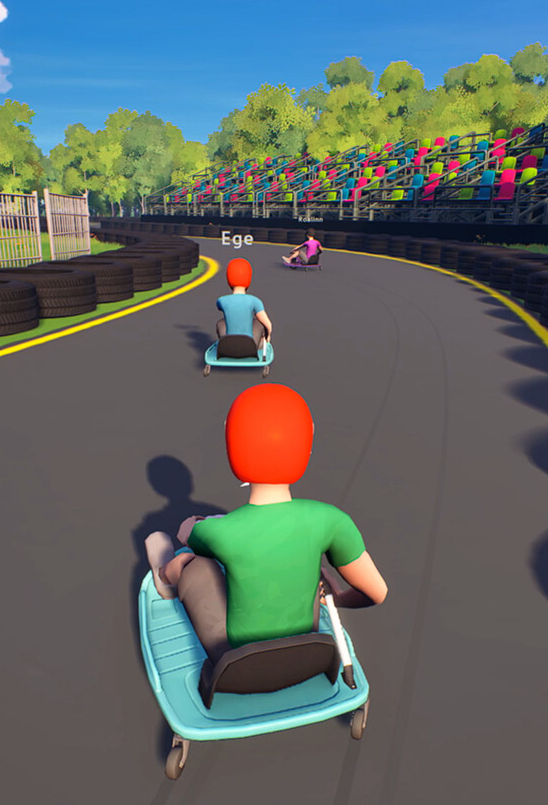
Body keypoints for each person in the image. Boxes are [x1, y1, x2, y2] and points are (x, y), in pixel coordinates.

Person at [144, 384, 388, 660]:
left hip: (238, 661)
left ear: (234, 447)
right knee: (307, 568)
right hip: (306, 653)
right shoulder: (332, 519)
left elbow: (184, 532)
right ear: (305, 446)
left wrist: (200, 525)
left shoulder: (221, 530)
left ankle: (164, 577)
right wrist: (337, 597)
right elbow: (377, 593)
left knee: (193, 564)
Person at [215, 258, 273, 355]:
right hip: (249, 348)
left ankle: (224, 344)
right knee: (258, 322)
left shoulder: (221, 300)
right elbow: (268, 325)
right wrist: (268, 336)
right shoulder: (255, 300)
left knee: (221, 323)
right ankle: (261, 345)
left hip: (227, 347)